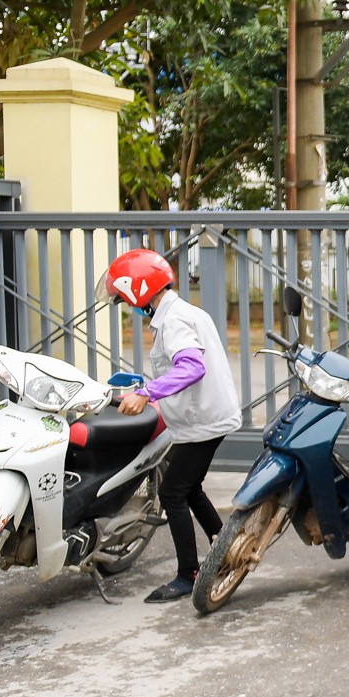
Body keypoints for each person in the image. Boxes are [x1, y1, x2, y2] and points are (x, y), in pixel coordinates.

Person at [105, 248, 243, 603]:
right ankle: (226, 546)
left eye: (124, 297)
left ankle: (189, 573)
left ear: (139, 288)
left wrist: (148, 393)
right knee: (190, 487)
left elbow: (191, 367)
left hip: (204, 421)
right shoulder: (178, 312)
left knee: (172, 493)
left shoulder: (174, 320)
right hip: (206, 417)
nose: (126, 304)